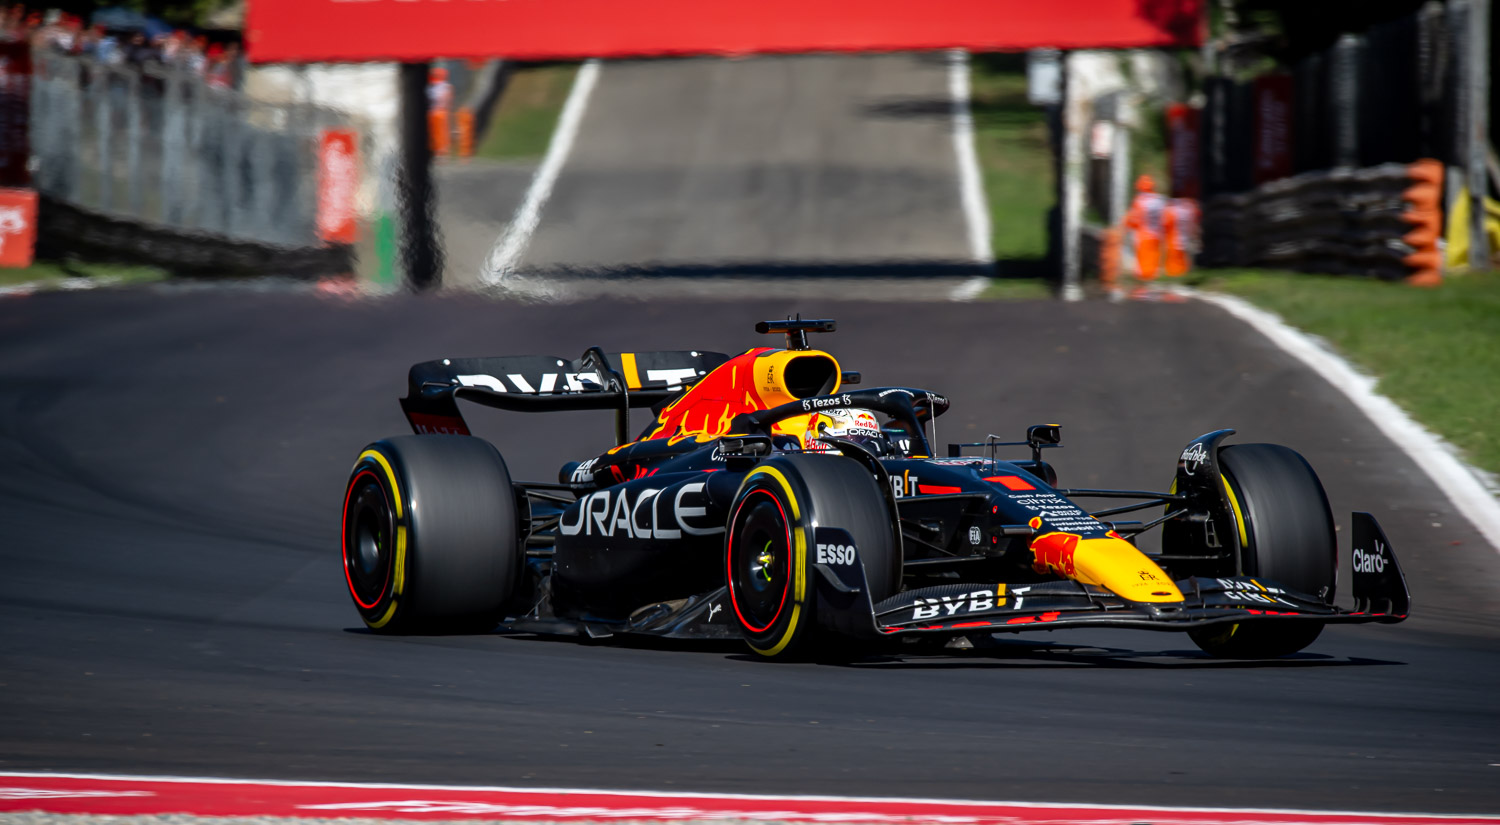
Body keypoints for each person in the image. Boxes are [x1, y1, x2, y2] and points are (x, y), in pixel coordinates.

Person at [1123, 174, 1168, 298]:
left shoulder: (1139, 201)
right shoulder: (1159, 200)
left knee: (1142, 263)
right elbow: (1165, 217)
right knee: (1154, 260)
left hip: (1143, 236)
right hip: (1157, 235)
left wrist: (1126, 227)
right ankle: (1150, 283)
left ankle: (1143, 287)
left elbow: (1133, 219)